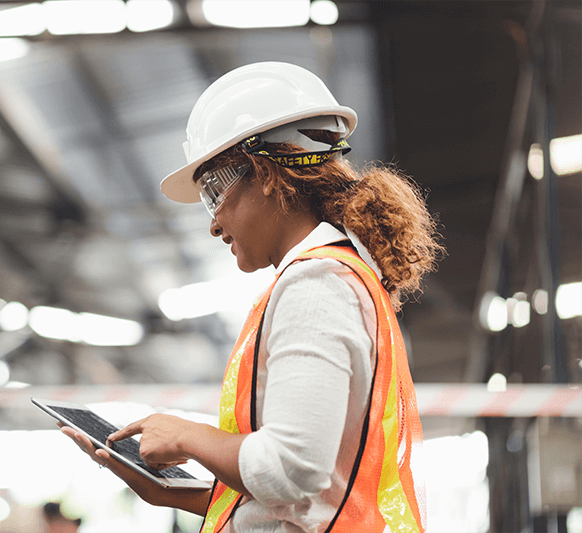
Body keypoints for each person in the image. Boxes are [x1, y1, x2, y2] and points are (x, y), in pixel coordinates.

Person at [59, 61, 442, 533]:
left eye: (214, 191)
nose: (214, 223)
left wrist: (187, 435)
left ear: (263, 172)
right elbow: (317, 495)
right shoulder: (338, 276)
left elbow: (290, 470)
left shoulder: (316, 283)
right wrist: (169, 494)